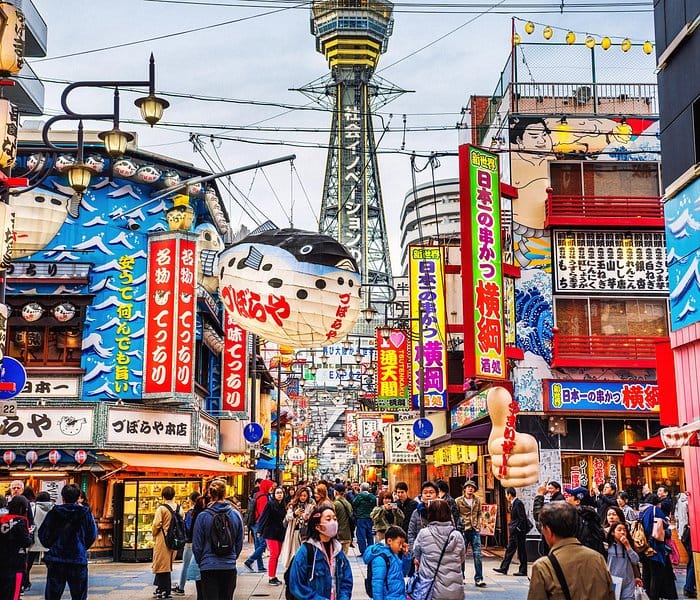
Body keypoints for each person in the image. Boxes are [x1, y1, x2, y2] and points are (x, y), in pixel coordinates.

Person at [527, 502, 614, 600]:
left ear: (548, 531)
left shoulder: (543, 566)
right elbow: (610, 594)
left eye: (543, 528)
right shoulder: (598, 558)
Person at [38, 483, 98, 600]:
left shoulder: (54, 513)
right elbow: (92, 534)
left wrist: (51, 545)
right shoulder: (85, 513)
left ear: (63, 497)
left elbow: (43, 534)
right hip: (77, 558)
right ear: (78, 497)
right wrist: (82, 546)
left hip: (57, 558)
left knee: (53, 594)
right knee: (79, 595)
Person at [192, 478, 244, 600]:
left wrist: (202, 561)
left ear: (210, 494)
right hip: (228, 565)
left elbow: (197, 545)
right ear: (225, 493)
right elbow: (239, 541)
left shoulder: (203, 516)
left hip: (208, 565)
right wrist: (232, 556)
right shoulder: (235, 515)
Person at [287, 506, 353, 600]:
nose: (333, 522)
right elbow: (296, 584)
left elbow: (347, 580)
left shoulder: (338, 551)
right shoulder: (306, 551)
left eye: (335, 519)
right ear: (317, 526)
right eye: (328, 519)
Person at [413, 498, 465, 599]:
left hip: (430, 588)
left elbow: (416, 554)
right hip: (455, 590)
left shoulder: (424, 533)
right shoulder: (457, 536)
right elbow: (461, 558)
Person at [640, 494, 678, 600]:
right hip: (655, 548)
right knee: (656, 577)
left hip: (644, 547)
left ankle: (646, 596)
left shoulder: (642, 511)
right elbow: (665, 525)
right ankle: (654, 597)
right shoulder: (655, 509)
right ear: (658, 503)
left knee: (647, 574)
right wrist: (666, 519)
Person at [150, 486, 183, 599]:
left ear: (163, 496)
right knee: (166, 564)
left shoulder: (161, 509)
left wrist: (154, 533)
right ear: (174, 495)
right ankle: (159, 588)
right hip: (174, 540)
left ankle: (165, 590)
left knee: (162, 565)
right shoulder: (179, 508)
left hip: (163, 539)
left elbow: (156, 524)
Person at [363, 525, 413, 600]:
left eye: (402, 544)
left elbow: (403, 572)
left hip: (399, 596)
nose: (400, 547)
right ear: (389, 541)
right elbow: (377, 585)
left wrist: (406, 556)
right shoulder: (381, 558)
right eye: (399, 543)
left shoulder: (393, 555)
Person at [0, 494, 33, 600]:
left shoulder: (2, 520)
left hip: (3, 562)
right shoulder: (20, 521)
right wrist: (31, 534)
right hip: (16, 563)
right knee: (14, 593)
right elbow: (26, 542)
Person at [456, 479, 485, 587]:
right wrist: (459, 526)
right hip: (463, 530)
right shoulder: (458, 501)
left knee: (477, 555)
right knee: (461, 555)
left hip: (474, 530)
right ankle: (461, 577)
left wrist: (478, 524)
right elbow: (456, 514)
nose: (470, 488)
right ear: (464, 489)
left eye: (472, 487)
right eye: (468, 487)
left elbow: (479, 513)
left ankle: (479, 578)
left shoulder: (477, 500)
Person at [494, 487, 529, 576]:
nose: (506, 497)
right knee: (510, 549)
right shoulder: (513, 503)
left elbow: (522, 518)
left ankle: (523, 570)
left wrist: (518, 528)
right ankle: (504, 568)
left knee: (521, 551)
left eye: (506, 494)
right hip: (514, 532)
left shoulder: (518, 503)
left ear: (509, 494)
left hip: (519, 532)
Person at [25, 490, 55, 593]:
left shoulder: (33, 509)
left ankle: (25, 582)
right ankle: (52, 584)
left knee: (28, 564)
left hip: (35, 541)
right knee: (51, 565)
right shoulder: (54, 509)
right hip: (49, 541)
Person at [280, 486, 315, 569]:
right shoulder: (292, 506)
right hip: (294, 533)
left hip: (306, 534)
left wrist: (307, 518)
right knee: (294, 554)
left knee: (304, 555)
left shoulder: (310, 507)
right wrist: (294, 514)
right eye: (301, 495)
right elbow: (287, 517)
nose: (302, 497)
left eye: (304, 495)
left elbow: (313, 520)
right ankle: (293, 572)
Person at [173, 490, 201, 595]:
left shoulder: (190, 512)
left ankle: (181, 587)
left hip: (190, 543)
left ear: (191, 501)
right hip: (200, 543)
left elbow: (188, 528)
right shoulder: (203, 511)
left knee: (185, 564)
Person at [565, 486, 606, 556]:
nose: (567, 498)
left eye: (570, 496)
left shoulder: (575, 517)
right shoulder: (590, 515)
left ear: (577, 501)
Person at [258, 486, 287, 586]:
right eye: (277, 493)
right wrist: (259, 530)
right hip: (270, 532)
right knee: (274, 554)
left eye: (281, 493)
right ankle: (271, 577)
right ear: (274, 494)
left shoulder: (284, 505)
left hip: (280, 533)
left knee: (277, 554)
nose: (279, 495)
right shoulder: (270, 504)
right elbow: (263, 517)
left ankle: (273, 576)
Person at [244, 479, 274, 572]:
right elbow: (263, 513)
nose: (271, 488)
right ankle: (249, 561)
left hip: (254, 523)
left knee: (258, 545)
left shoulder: (257, 494)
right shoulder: (263, 497)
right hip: (259, 524)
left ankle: (260, 566)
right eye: (270, 486)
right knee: (263, 544)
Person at [606, 521, 642, 600]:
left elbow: (635, 560)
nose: (622, 532)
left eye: (624, 530)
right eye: (619, 530)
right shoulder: (607, 546)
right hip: (613, 581)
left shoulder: (628, 546)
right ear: (612, 532)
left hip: (628, 581)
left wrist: (627, 546)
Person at [407, 481, 439, 546]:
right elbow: (411, 534)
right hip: (421, 550)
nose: (428, 495)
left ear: (437, 495)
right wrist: (414, 552)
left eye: (431, 492)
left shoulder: (444, 511)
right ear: (421, 496)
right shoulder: (416, 513)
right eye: (425, 493)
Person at [352, 482, 377, 554]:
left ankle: (363, 551)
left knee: (361, 535)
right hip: (369, 517)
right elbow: (374, 505)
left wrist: (357, 513)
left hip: (361, 518)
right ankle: (371, 550)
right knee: (370, 534)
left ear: (361, 488)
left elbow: (354, 504)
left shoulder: (359, 496)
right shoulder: (372, 497)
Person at [333, 483, 354, 554]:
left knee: (337, 559)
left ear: (336, 492)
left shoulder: (336, 504)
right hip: (347, 534)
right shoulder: (348, 503)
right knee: (344, 558)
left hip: (339, 535)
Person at [681, 523, 696, 599]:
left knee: (691, 565)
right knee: (693, 567)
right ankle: (689, 588)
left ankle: (689, 587)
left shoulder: (689, 525)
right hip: (694, 545)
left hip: (690, 546)